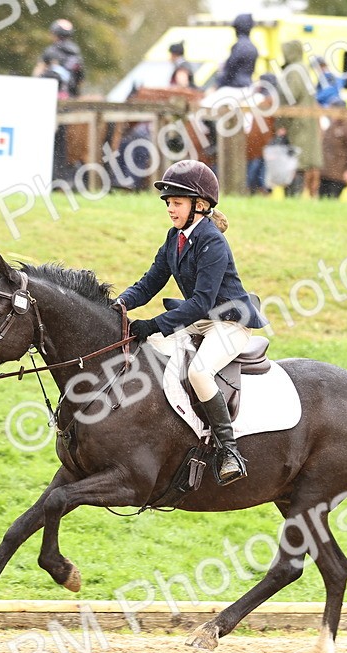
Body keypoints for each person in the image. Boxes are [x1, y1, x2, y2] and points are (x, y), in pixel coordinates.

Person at [115, 160, 268, 486]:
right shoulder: (175, 238)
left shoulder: (213, 242)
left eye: (177, 203)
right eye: (168, 203)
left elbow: (201, 301)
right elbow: (148, 284)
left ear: (199, 206)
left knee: (199, 371)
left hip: (230, 322)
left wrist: (153, 323)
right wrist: (118, 305)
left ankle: (230, 451)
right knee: (151, 351)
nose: (170, 209)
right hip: (201, 319)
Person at [275, 40, 323, 198]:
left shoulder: (293, 71)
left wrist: (280, 121)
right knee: (304, 159)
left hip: (297, 124)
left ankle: (293, 195)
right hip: (306, 123)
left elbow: (290, 96)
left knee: (295, 161)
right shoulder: (303, 68)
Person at [32, 19, 83, 98]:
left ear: (55, 34)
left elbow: (38, 72)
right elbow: (80, 80)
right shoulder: (76, 53)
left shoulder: (51, 50)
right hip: (70, 97)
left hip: (50, 97)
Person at [215, 13, 257, 89]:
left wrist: (219, 83)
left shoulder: (239, 47)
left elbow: (229, 70)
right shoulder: (253, 47)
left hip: (235, 88)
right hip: (249, 86)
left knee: (208, 101)